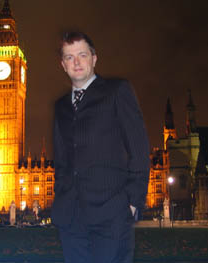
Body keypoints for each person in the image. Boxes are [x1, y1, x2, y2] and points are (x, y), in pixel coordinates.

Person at [51, 31, 150, 263]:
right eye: (69, 57)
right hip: (71, 217)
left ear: (94, 59)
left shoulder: (117, 91)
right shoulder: (61, 106)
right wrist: (60, 194)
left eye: (82, 55)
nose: (76, 62)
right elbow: (62, 160)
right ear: (63, 65)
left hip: (111, 213)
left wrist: (133, 201)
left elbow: (139, 147)